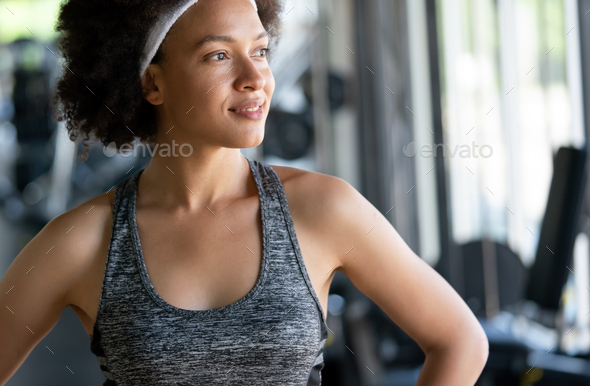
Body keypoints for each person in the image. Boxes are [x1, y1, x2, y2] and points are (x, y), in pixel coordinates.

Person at [0, 0, 489, 385]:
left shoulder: (323, 209)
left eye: (259, 51)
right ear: (153, 83)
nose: (256, 79)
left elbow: (460, 341)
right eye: (218, 55)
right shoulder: (84, 241)